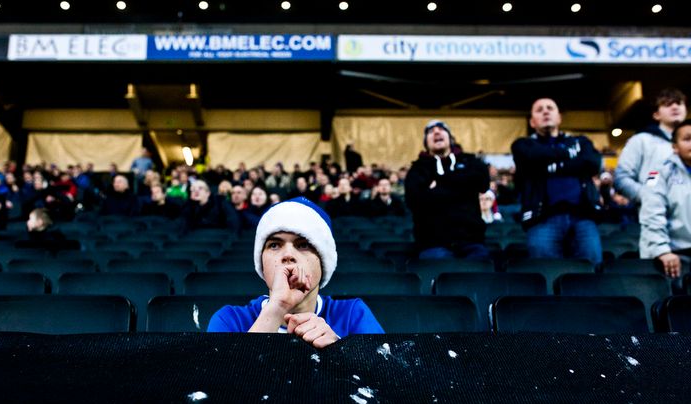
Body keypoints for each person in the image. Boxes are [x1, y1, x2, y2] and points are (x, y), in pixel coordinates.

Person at [207, 197, 384, 347]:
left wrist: (338, 349)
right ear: (261, 261)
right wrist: (276, 308)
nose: (288, 255)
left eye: (303, 245)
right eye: (274, 245)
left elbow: (388, 379)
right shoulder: (230, 320)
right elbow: (217, 384)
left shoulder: (352, 314)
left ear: (323, 262)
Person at [511, 98, 603, 264]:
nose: (545, 111)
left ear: (559, 117)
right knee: (547, 275)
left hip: (583, 217)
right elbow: (531, 157)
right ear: (532, 122)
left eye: (550, 108)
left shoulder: (581, 142)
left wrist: (547, 166)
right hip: (542, 220)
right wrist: (570, 157)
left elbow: (592, 164)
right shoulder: (523, 145)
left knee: (592, 276)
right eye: (539, 110)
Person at [405, 120, 491, 259]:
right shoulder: (417, 169)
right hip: (432, 244)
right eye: (431, 131)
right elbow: (415, 200)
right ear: (426, 143)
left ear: (450, 138)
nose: (436, 132)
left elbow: (482, 182)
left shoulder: (470, 161)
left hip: (471, 242)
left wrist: (438, 183)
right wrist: (462, 186)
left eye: (441, 129)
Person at [615, 88, 687, 204]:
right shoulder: (641, 141)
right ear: (656, 115)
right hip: (655, 217)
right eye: (667, 104)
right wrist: (648, 197)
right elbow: (621, 178)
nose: (675, 107)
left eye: (679, 103)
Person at [639, 119, 691, 278]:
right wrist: (662, 249)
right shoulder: (656, 173)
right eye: (687, 139)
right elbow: (651, 212)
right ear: (674, 147)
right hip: (673, 254)